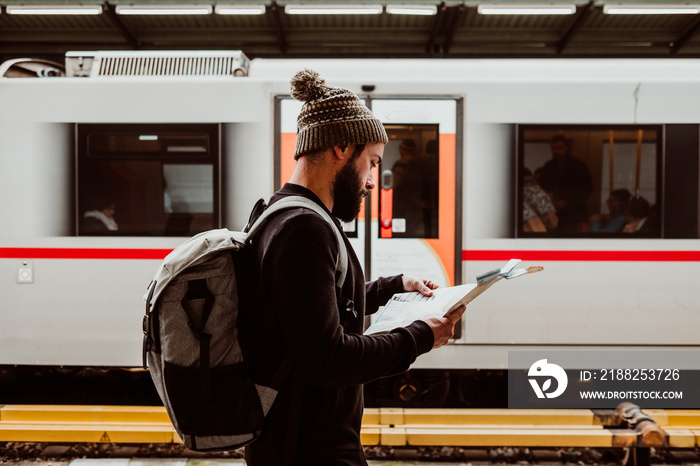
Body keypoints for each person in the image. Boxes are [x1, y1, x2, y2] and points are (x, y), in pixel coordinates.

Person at [244, 69, 465, 466]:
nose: (371, 181)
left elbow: (307, 308)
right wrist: (419, 337)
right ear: (342, 147)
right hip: (310, 451)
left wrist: (393, 286)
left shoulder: (280, 214)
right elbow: (327, 358)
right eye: (373, 163)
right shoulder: (304, 228)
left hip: (296, 443)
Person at [537, 134, 593, 234]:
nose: (556, 151)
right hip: (553, 213)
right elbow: (542, 188)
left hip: (574, 214)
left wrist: (568, 202)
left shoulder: (579, 166)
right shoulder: (548, 167)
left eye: (559, 148)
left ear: (566, 148)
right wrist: (549, 198)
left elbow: (587, 190)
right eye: (553, 148)